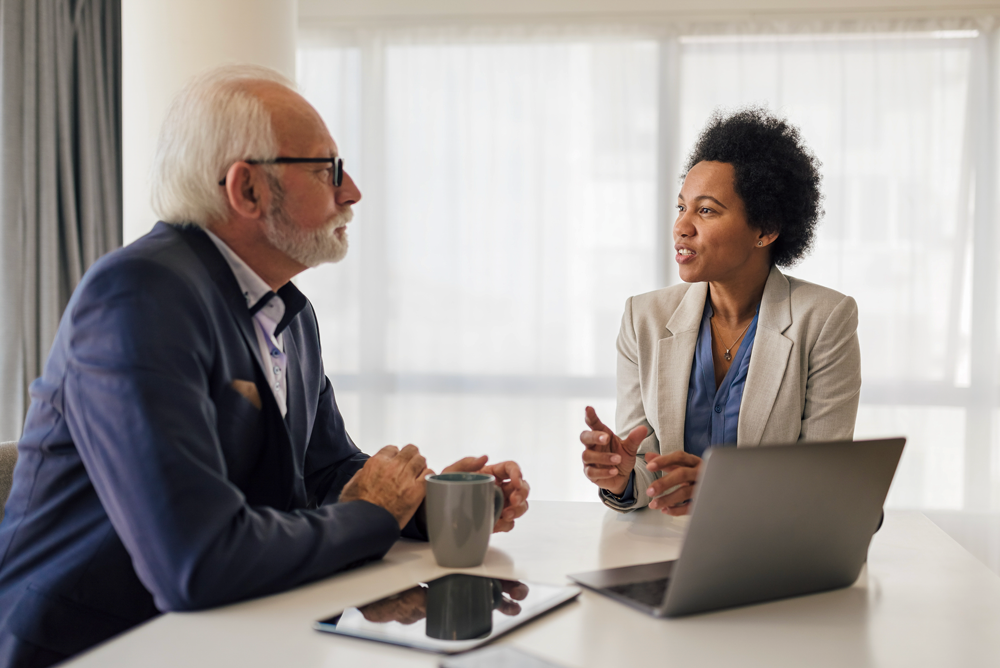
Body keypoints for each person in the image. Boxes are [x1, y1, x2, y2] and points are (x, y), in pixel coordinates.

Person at [0, 64, 529, 668]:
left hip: (234, 634)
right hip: (98, 648)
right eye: (328, 169)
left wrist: (425, 507)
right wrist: (371, 516)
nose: (352, 190)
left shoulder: (287, 311)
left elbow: (324, 472)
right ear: (246, 189)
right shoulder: (139, 295)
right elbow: (195, 562)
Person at [579, 107, 861, 515]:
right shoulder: (643, 318)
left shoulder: (825, 319)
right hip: (661, 550)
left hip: (767, 553)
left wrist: (721, 486)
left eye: (706, 210)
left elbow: (824, 482)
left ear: (764, 230)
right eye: (681, 208)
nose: (682, 226)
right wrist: (622, 475)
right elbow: (645, 472)